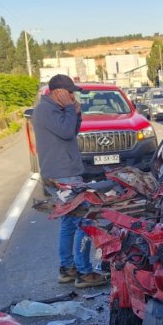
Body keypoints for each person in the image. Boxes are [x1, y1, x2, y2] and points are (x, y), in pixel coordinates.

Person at [32, 74, 108, 288]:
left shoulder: (56, 109)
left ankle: (68, 269)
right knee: (84, 220)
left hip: (64, 173)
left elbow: (72, 131)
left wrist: (77, 113)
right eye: (70, 92)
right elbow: (66, 132)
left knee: (69, 223)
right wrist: (69, 110)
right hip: (62, 175)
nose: (73, 96)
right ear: (58, 93)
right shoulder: (46, 109)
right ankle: (83, 272)